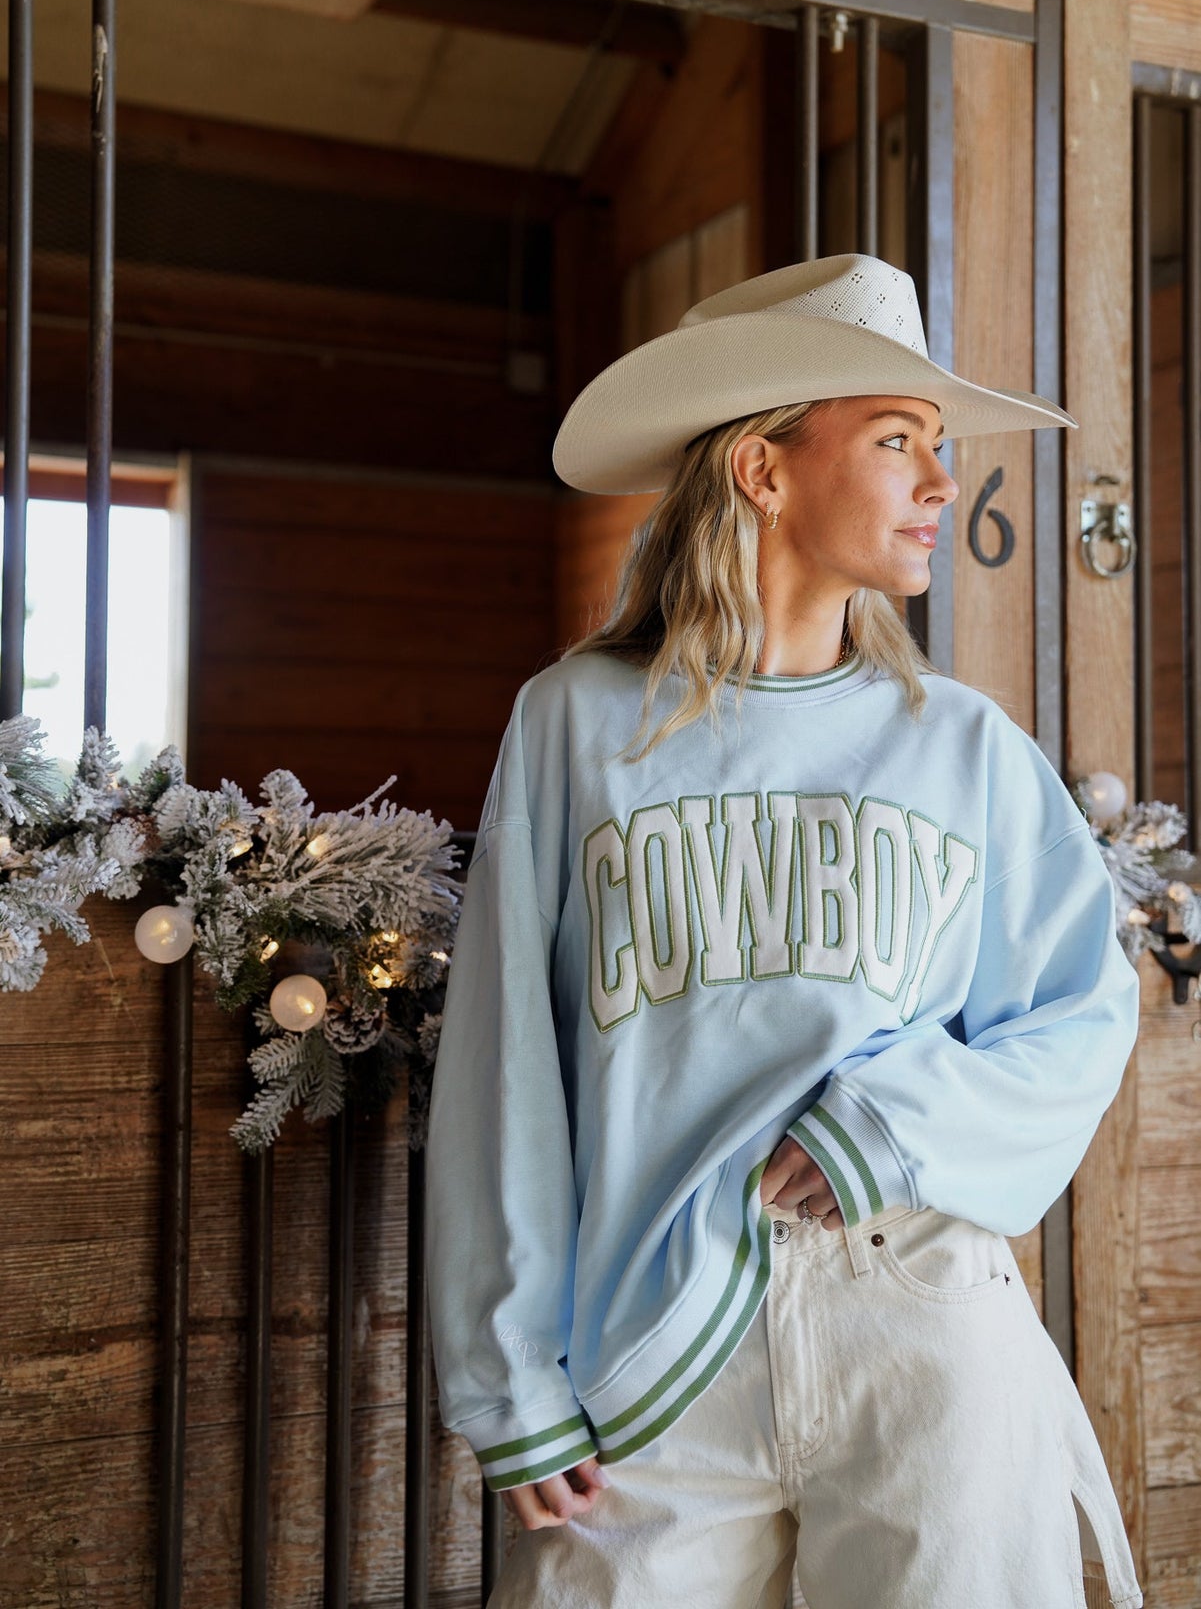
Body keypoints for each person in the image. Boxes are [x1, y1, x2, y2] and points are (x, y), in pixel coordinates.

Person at [425, 252, 1145, 1608]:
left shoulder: (967, 748)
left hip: (920, 1321)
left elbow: (1082, 1016)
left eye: (937, 446)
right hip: (654, 1352)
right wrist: (506, 1374)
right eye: (897, 440)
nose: (943, 483)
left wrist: (897, 1120)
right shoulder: (576, 723)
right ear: (763, 468)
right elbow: (506, 1062)